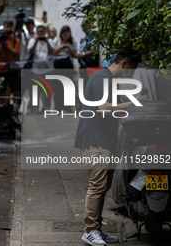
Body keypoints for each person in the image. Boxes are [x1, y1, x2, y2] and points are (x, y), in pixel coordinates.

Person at [74, 48, 148, 246]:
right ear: (124, 64)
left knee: (103, 186)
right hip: (95, 141)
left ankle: (96, 229)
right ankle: (89, 231)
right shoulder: (102, 79)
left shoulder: (109, 81)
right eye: (131, 69)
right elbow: (104, 109)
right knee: (97, 186)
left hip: (105, 140)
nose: (131, 74)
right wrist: (132, 103)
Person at [0, 20, 20, 105]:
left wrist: (6, 45)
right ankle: (3, 110)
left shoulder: (16, 40)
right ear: (3, 27)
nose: (8, 29)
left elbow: (16, 53)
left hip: (13, 70)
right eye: (6, 27)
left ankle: (15, 110)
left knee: (16, 92)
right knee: (2, 92)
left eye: (10, 27)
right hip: (1, 71)